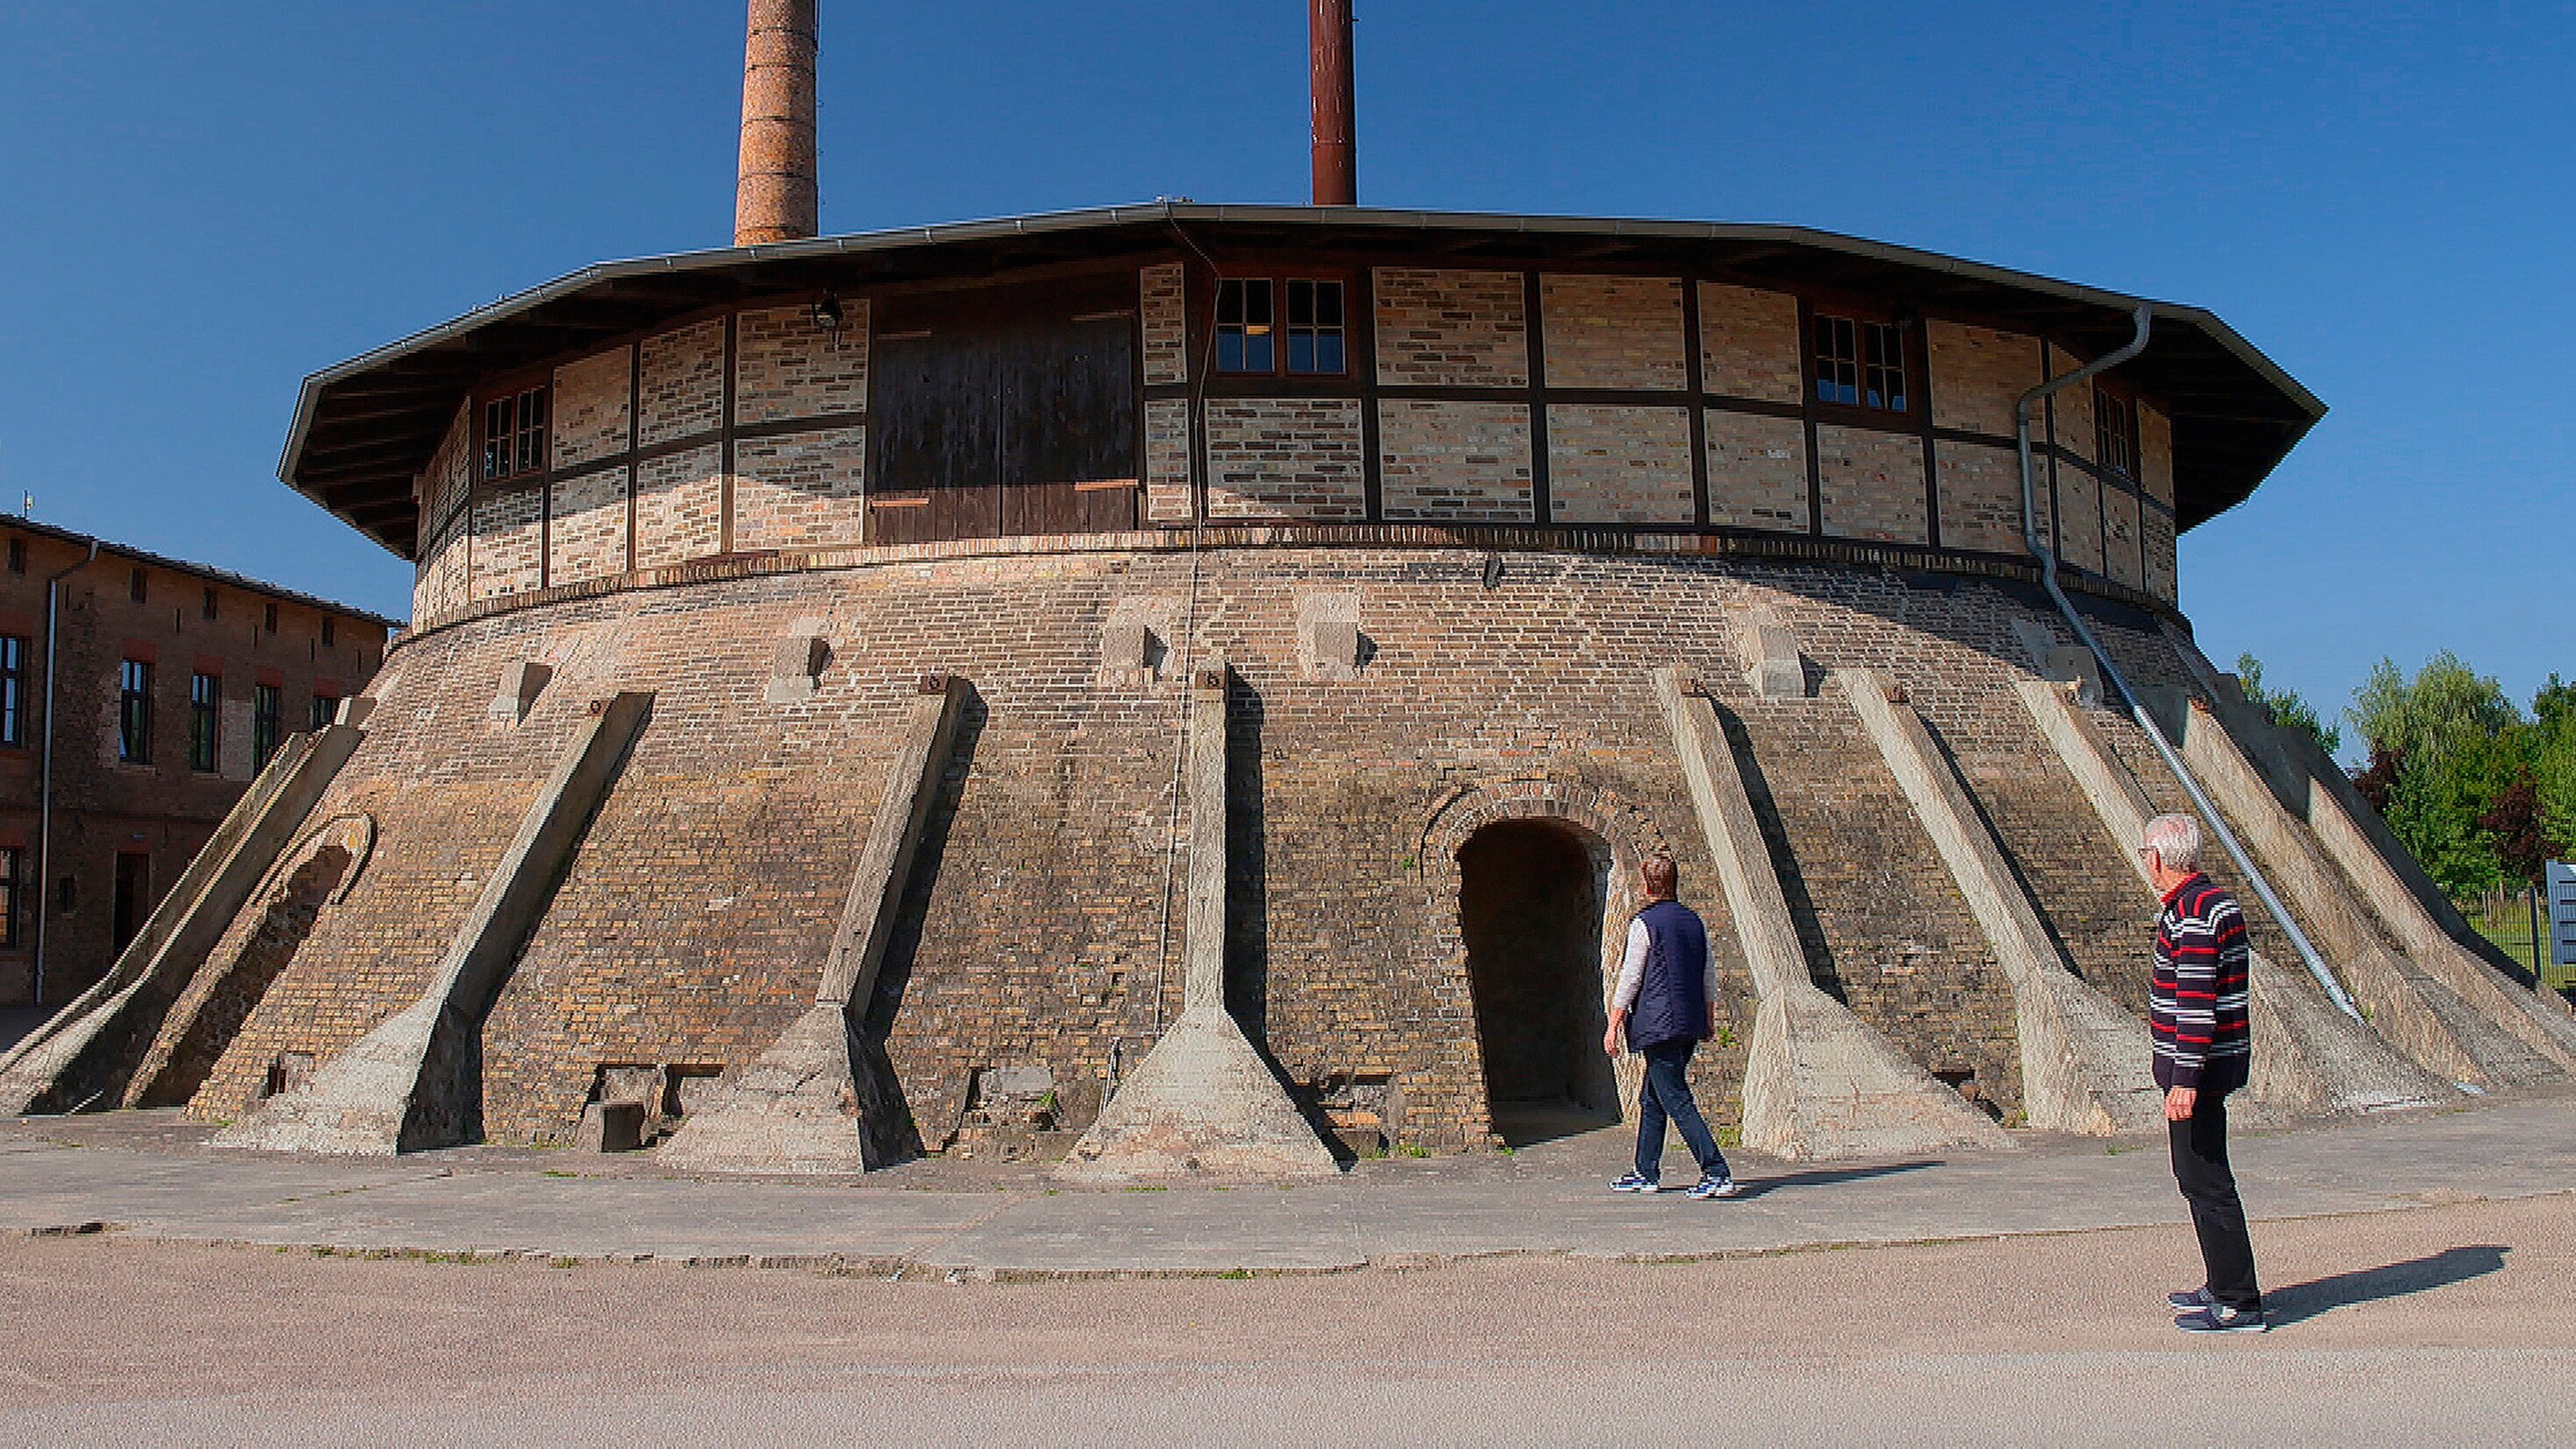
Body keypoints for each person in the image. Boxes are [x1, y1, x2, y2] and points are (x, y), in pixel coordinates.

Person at [2141, 812, 2267, 1332]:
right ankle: (2222, 1282)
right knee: (2199, 1176)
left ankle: (2238, 1300)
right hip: (2209, 1065)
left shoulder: (2194, 913)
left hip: (2198, 1069)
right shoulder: (2208, 903)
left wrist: (2184, 1078)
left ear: (2156, 858)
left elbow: (2196, 1003)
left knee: (2205, 1180)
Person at [1603, 853, 1739, 1200]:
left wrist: (1613, 1023)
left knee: (1676, 1099)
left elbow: (1631, 977)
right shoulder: (1694, 922)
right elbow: (1708, 975)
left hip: (1659, 1025)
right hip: (1689, 1023)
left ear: (1646, 885)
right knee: (1653, 1098)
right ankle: (1644, 1172)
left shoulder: (1644, 924)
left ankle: (1716, 1170)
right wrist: (1708, 1019)